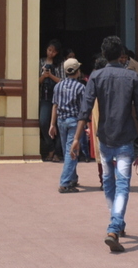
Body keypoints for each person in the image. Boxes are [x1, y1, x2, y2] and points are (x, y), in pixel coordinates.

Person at [71, 36, 138, 253]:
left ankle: (116, 222)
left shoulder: (96, 76)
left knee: (109, 181)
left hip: (104, 138)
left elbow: (85, 109)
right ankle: (115, 226)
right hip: (125, 138)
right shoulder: (131, 77)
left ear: (104, 54)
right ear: (122, 55)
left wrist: (77, 138)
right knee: (123, 183)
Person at [48, 57, 86, 193]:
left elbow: (55, 106)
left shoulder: (59, 86)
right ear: (77, 71)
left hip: (61, 122)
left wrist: (52, 124)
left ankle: (72, 178)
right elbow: (83, 109)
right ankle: (64, 183)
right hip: (74, 122)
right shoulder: (80, 87)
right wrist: (85, 125)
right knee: (72, 151)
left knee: (67, 151)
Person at [39, 39, 64, 161]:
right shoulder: (41, 62)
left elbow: (63, 81)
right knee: (43, 122)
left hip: (59, 97)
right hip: (45, 96)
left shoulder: (60, 64)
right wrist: (44, 76)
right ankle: (50, 147)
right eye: (49, 50)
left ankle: (57, 153)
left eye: (54, 51)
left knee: (59, 125)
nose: (51, 53)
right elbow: (36, 81)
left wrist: (51, 76)